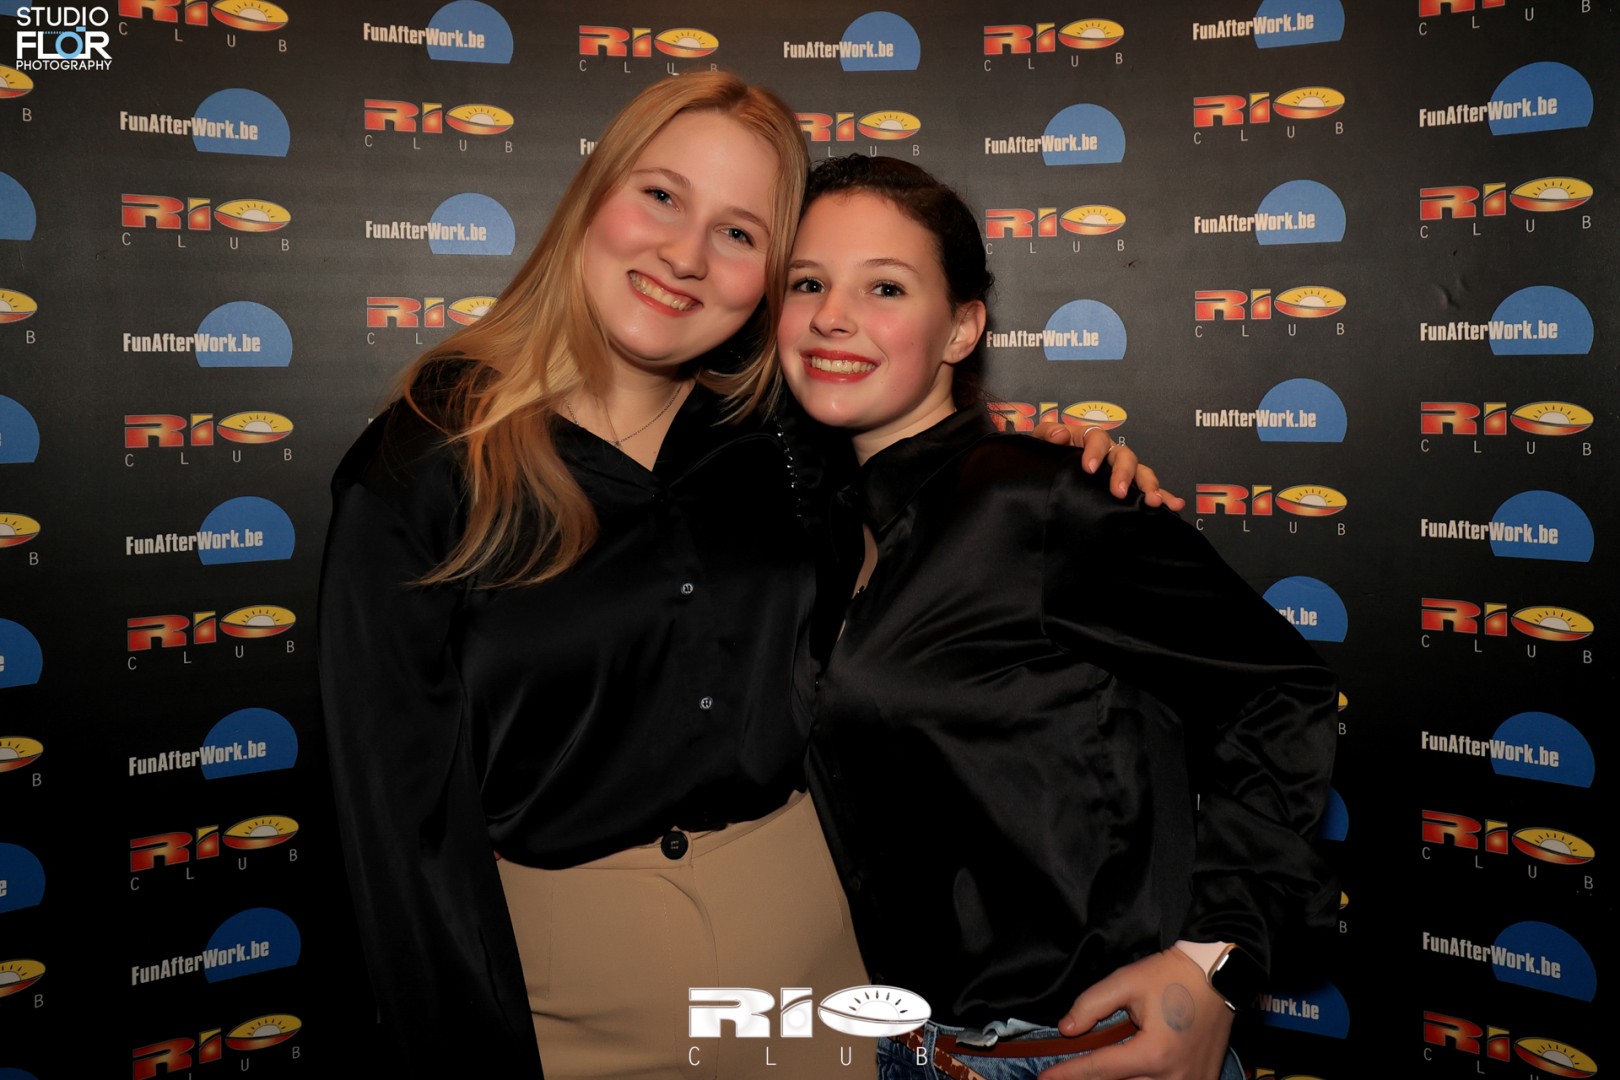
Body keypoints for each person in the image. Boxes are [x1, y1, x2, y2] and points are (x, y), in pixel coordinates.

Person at [318, 75, 1170, 1079]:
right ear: (593, 196)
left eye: (737, 232)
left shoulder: (787, 442)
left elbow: (939, 515)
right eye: (661, 196)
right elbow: (399, 836)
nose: (685, 256)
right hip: (572, 1022)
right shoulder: (423, 468)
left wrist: (1059, 470)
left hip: (834, 997)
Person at [779, 155, 1339, 1080]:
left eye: (884, 286)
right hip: (893, 1048)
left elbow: (1278, 690)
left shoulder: (1043, 501)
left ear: (962, 328)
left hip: (1073, 1050)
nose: (832, 315)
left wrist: (1213, 963)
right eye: (807, 283)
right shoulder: (819, 537)